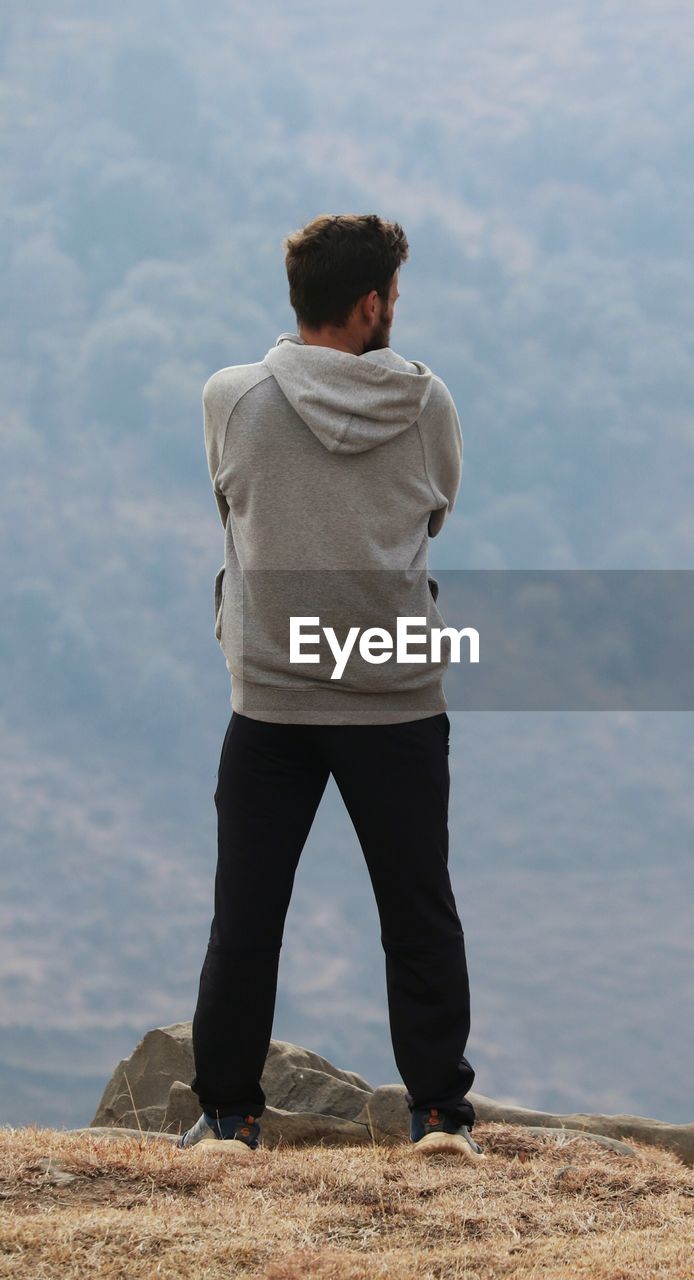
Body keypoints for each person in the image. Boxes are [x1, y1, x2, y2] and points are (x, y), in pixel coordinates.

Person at [178, 213, 484, 1161]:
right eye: (391, 294)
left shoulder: (232, 399)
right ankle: (437, 1116)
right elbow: (438, 507)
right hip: (395, 700)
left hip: (270, 700)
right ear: (369, 305)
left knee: (247, 915)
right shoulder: (425, 405)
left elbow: (231, 498)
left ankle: (229, 1119)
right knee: (418, 910)